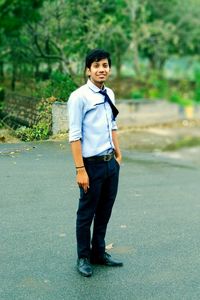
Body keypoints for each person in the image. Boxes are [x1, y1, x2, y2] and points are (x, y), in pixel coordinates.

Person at [68, 48, 123, 277]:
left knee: (104, 211)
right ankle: (83, 257)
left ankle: (98, 253)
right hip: (90, 165)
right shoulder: (79, 97)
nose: (102, 70)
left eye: (105, 65)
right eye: (97, 66)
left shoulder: (108, 92)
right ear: (88, 70)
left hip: (111, 164)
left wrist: (119, 156)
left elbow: (112, 126)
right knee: (86, 213)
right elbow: (74, 136)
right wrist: (80, 170)